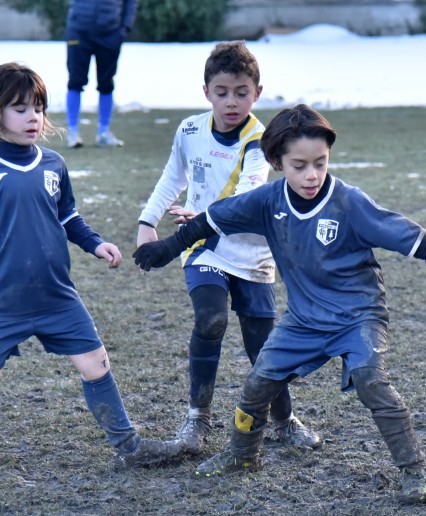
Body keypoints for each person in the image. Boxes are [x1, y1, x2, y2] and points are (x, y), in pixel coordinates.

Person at [132, 104, 426, 503]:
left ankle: (413, 470)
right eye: (299, 165)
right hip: (303, 321)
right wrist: (166, 248)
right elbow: (212, 219)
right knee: (257, 383)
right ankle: (242, 456)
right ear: (277, 163)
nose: (312, 174)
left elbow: (406, 234)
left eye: (320, 163)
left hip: (357, 317)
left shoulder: (348, 203)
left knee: (370, 379)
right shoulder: (267, 201)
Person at [136, 41, 320, 455]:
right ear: (206, 93)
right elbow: (172, 178)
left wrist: (200, 216)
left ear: (257, 92)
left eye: (241, 92)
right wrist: (147, 223)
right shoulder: (188, 130)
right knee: (210, 319)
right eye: (222, 92)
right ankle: (196, 419)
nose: (231, 101)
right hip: (203, 247)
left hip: (253, 252)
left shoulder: (262, 140)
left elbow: (249, 192)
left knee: (263, 344)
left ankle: (284, 419)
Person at [0, 62, 185, 467]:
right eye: (19, 108)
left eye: (38, 107)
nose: (33, 117)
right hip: (4, 299)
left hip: (55, 295)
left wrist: (96, 244)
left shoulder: (52, 164)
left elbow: (67, 217)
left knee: (96, 363)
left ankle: (128, 446)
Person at [65, 0, 138, 148]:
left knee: (106, 83)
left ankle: (103, 133)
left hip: (110, 33)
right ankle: (72, 132)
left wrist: (125, 27)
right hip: (78, 31)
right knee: (75, 81)